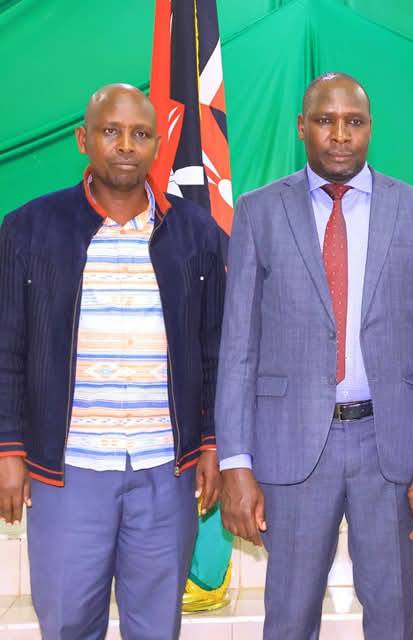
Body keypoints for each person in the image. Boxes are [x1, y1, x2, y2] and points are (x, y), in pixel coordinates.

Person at [216, 72, 413, 640]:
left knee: (393, 616)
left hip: (389, 447)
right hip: (291, 447)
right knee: (290, 617)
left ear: (370, 128)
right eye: (325, 121)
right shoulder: (258, 212)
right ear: (303, 127)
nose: (340, 134)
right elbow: (238, 349)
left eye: (353, 122)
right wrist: (235, 462)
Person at [0, 83, 224, 639]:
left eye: (140, 134)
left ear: (156, 146)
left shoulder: (196, 233)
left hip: (164, 472)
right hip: (68, 471)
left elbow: (216, 348)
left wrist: (214, 443)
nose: (126, 145)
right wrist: (8, 448)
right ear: (83, 140)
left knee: (155, 628)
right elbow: (7, 348)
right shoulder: (29, 229)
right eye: (111, 131)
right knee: (69, 624)